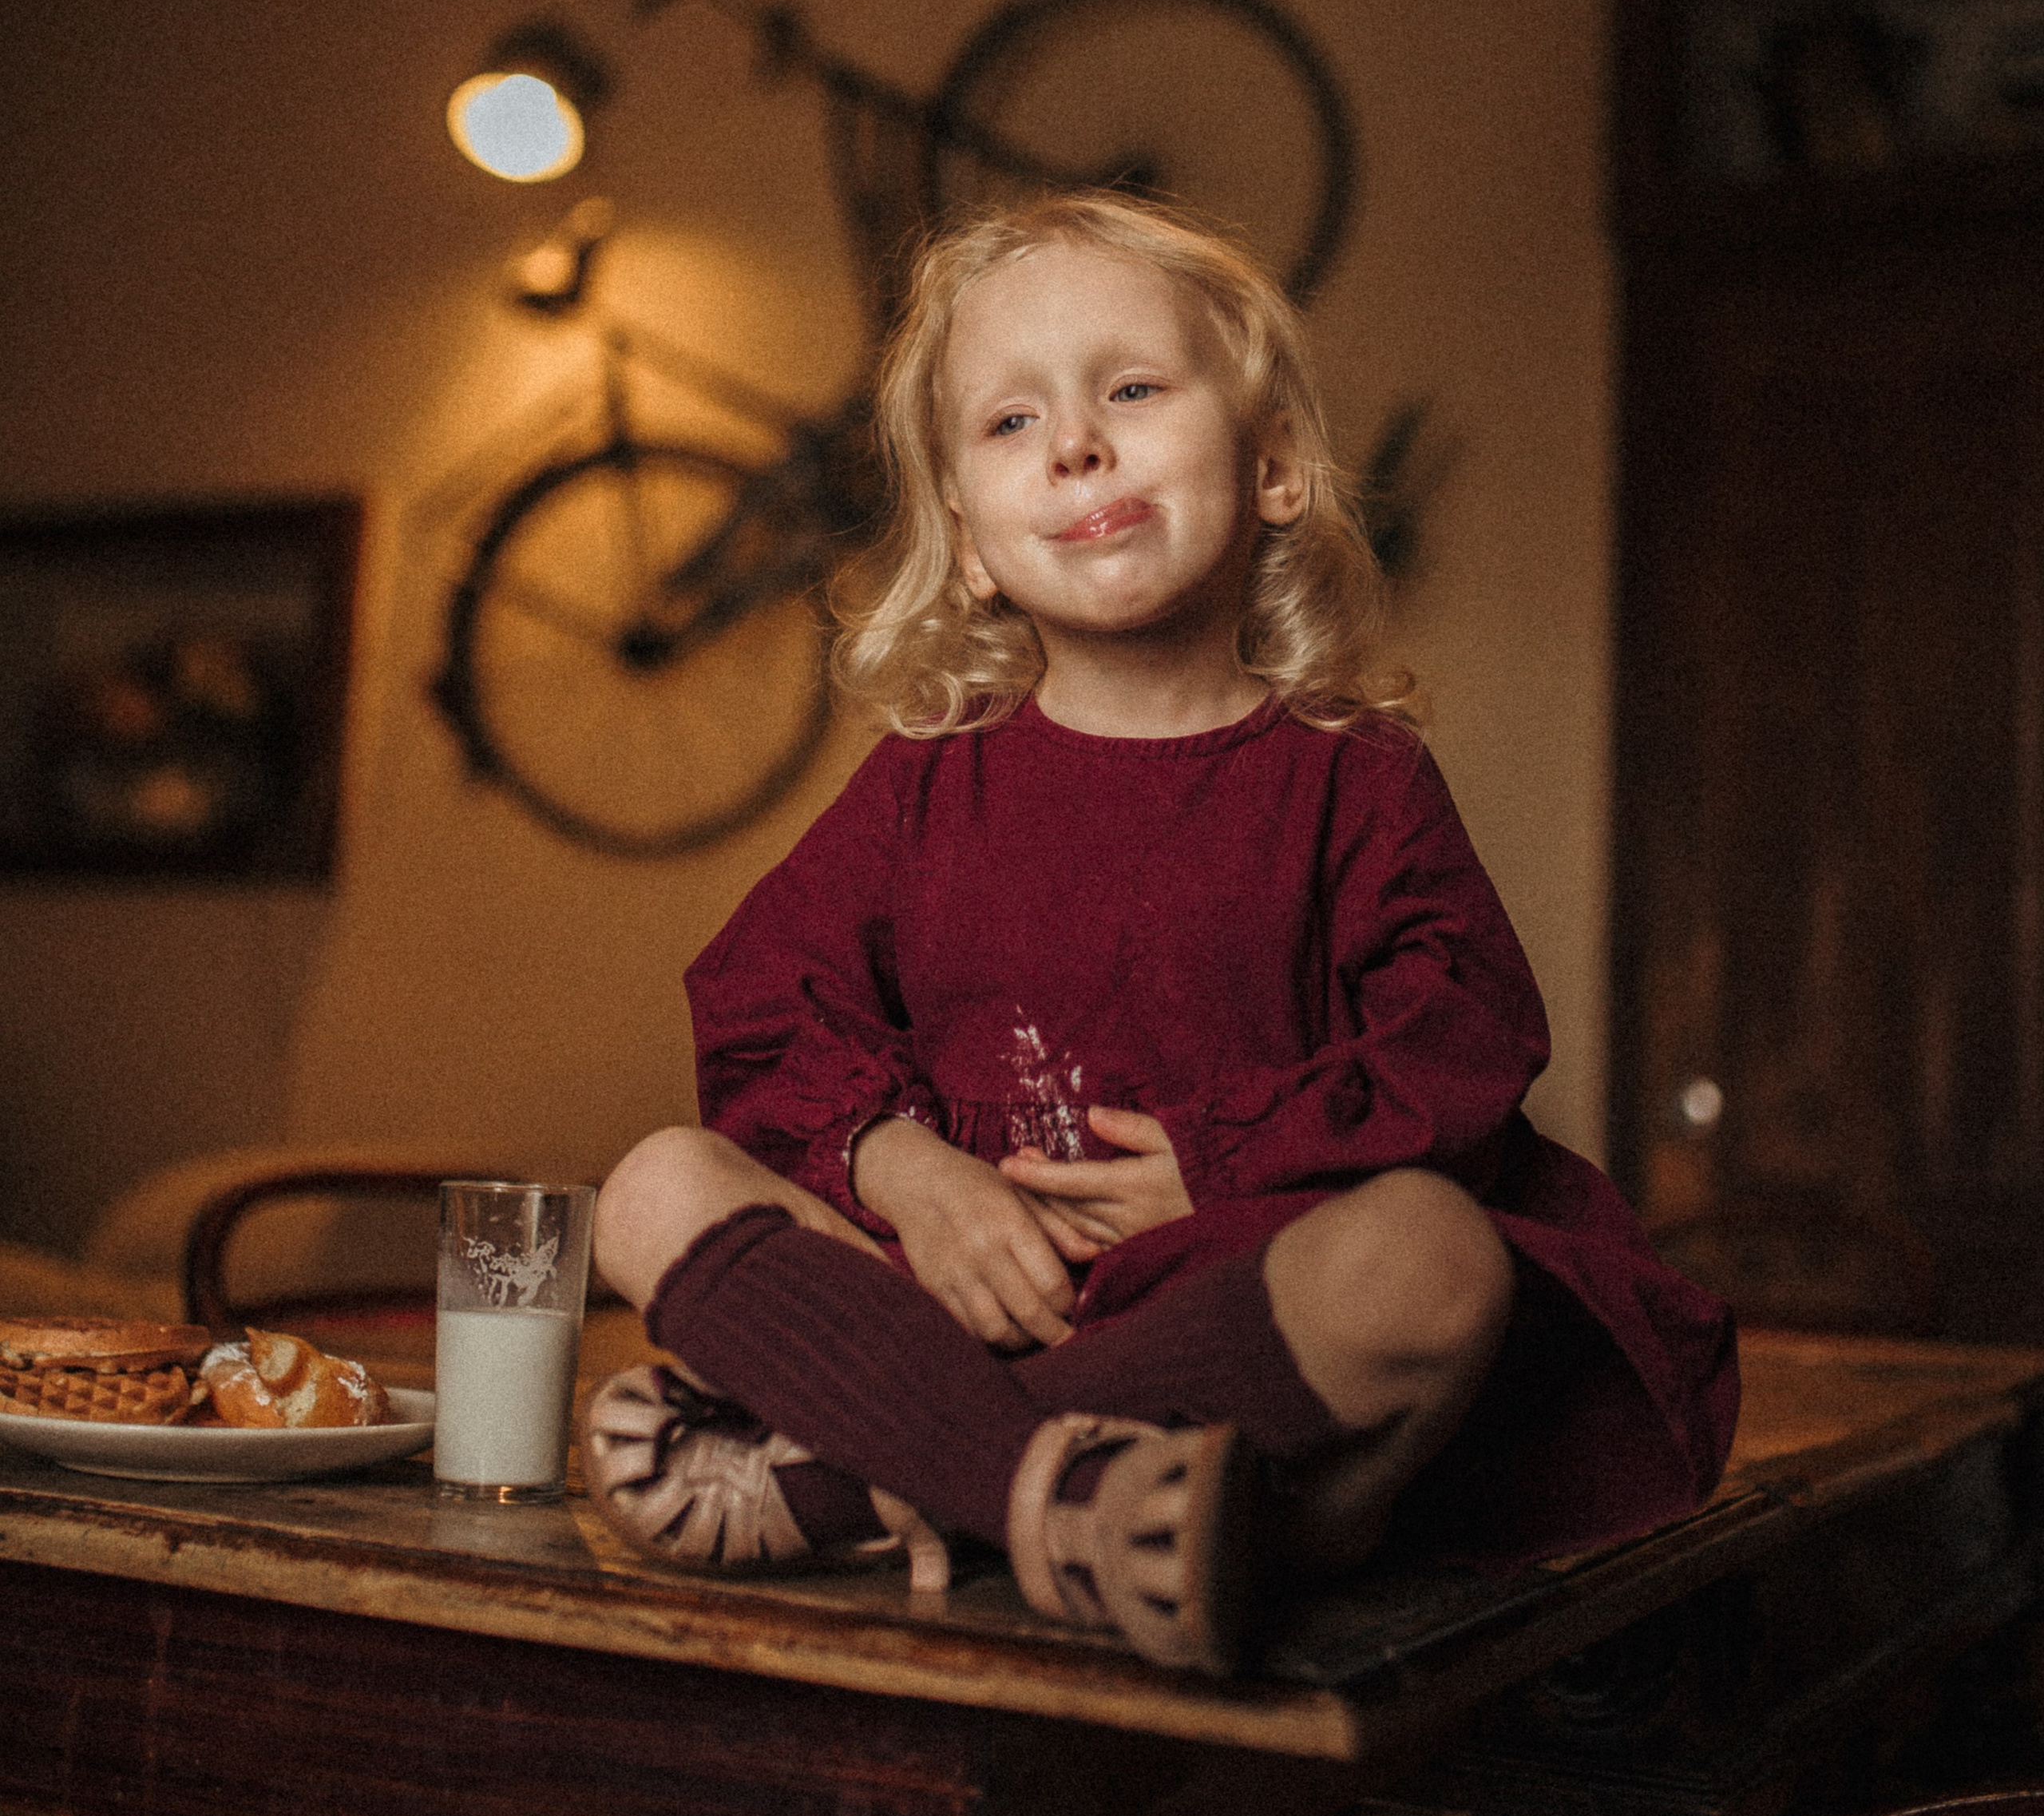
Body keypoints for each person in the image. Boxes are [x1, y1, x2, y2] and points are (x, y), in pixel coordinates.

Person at [585, 192, 1737, 1675]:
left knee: (1435, 1260)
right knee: (651, 1188)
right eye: (1012, 421)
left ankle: (878, 1480)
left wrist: (1226, 1163)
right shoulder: (925, 785)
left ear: (1271, 469)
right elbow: (760, 1003)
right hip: (959, 1304)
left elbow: (1467, 1037)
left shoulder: (1355, 777)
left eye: (1131, 390)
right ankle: (1090, 1503)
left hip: (1238, 1331)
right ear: (970, 544)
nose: (1077, 444)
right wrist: (909, 1173)